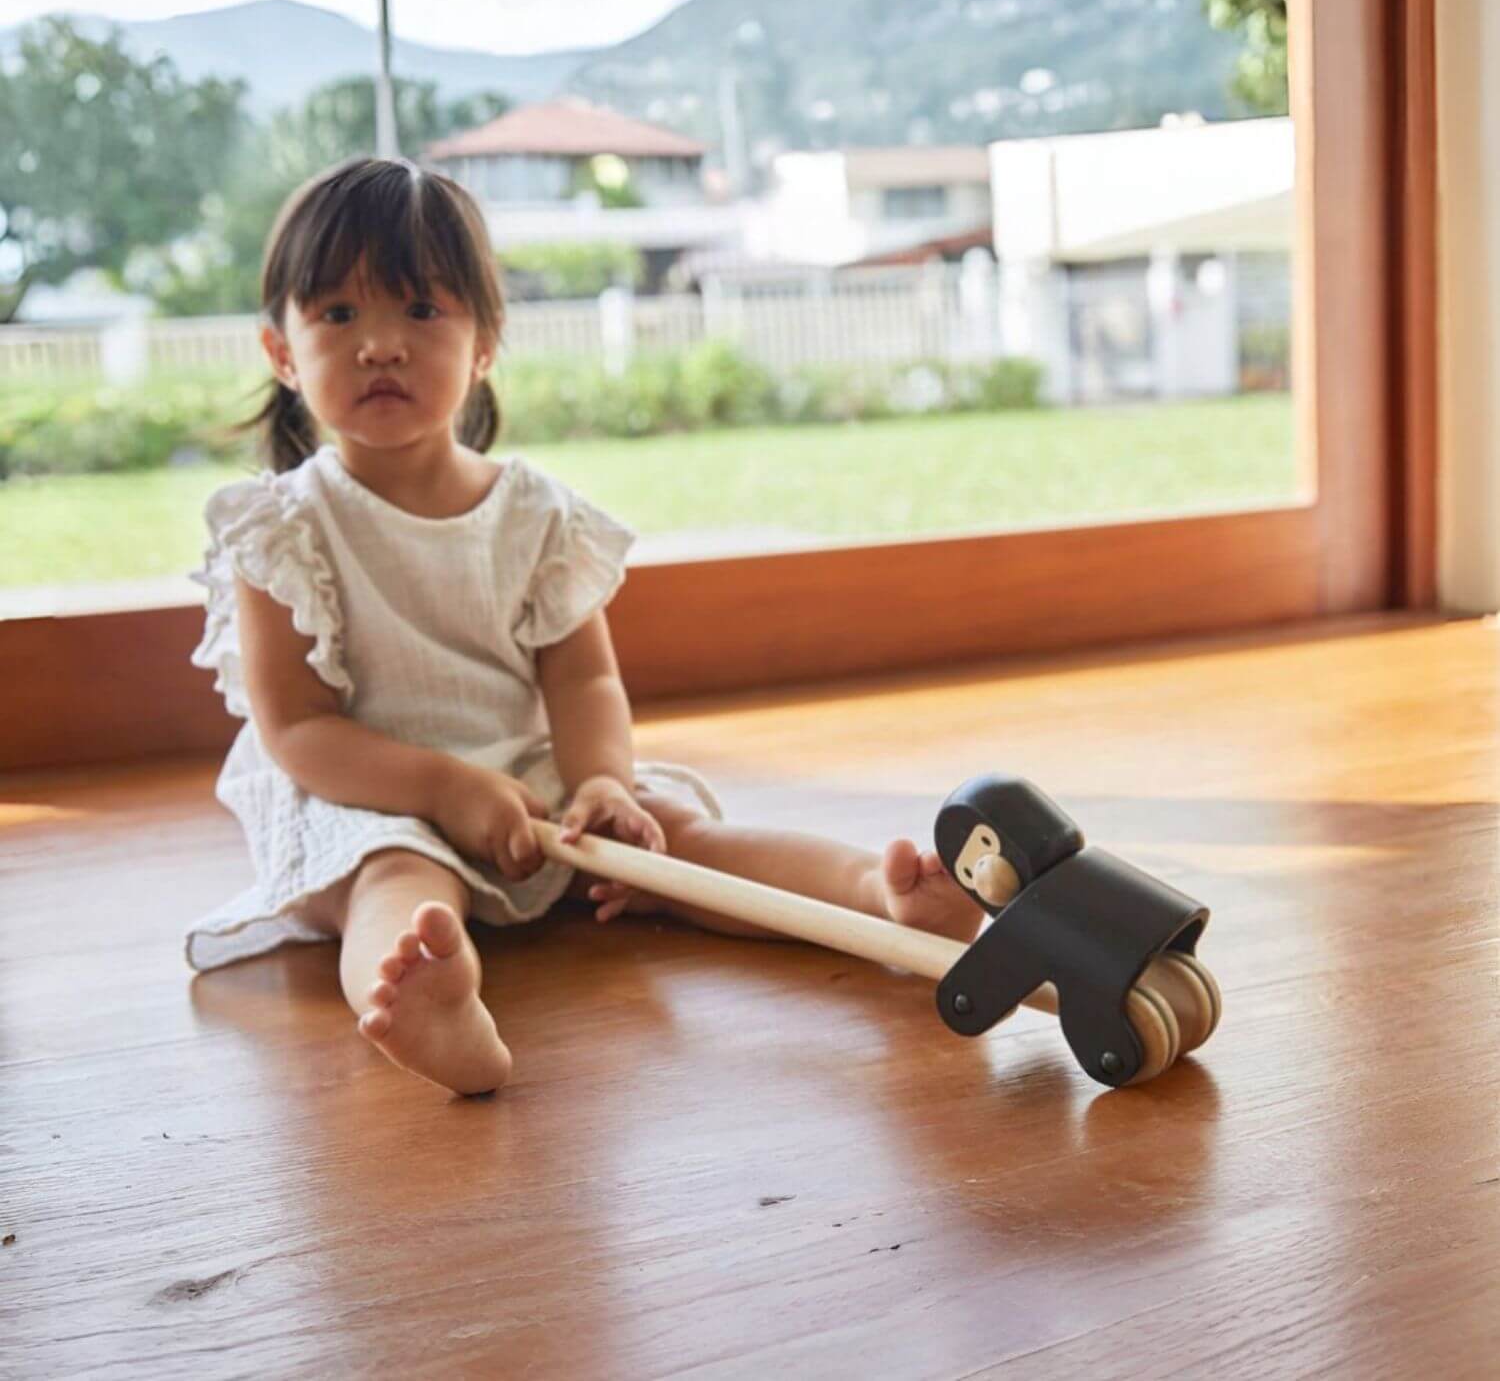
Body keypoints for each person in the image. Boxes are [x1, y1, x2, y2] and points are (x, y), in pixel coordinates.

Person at [188, 156, 983, 1096]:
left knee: (672, 835)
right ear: (281, 350)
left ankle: (878, 897)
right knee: (395, 878)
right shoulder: (281, 528)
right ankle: (428, 1002)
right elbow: (299, 731)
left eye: (421, 311)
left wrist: (601, 781)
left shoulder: (534, 515)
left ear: (484, 343)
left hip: (531, 785)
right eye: (339, 316)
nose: (381, 346)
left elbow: (583, 680)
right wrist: (445, 791)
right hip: (368, 798)